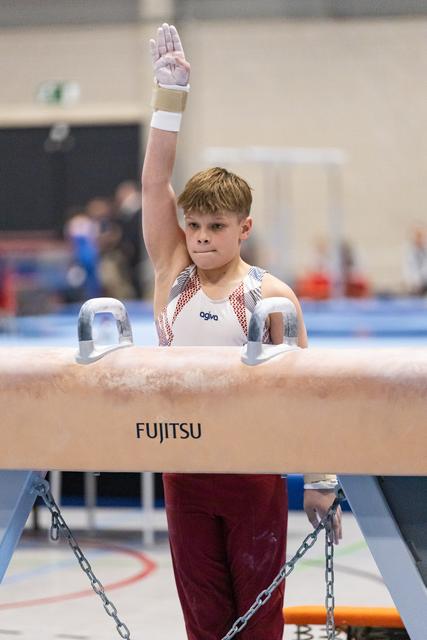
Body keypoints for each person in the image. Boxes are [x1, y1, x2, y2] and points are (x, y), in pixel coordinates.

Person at [141, 23, 342, 640]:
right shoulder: (172, 270)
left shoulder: (270, 296)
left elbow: (308, 391)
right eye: (193, 225)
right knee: (202, 621)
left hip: (252, 473)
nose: (200, 238)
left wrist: (320, 478)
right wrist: (168, 98)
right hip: (182, 464)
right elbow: (155, 184)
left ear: (244, 227)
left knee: (259, 623)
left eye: (215, 227)